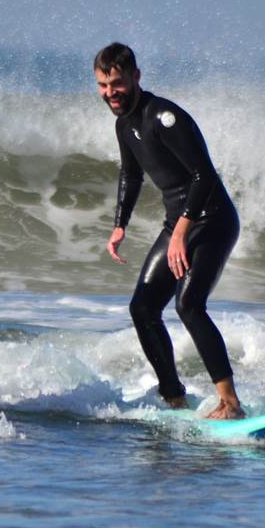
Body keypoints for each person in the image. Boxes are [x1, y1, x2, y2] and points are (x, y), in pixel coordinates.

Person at [94, 42, 244, 420]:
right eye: (102, 85)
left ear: (136, 77)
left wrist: (180, 232)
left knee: (188, 305)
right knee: (142, 308)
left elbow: (204, 175)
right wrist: (119, 226)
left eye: (116, 83)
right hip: (179, 223)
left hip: (212, 221)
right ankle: (174, 397)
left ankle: (230, 403)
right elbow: (131, 174)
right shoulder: (123, 124)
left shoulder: (164, 116)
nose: (110, 93)